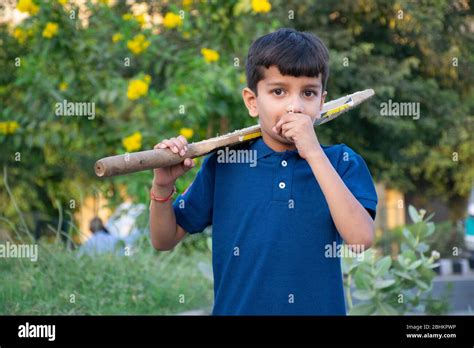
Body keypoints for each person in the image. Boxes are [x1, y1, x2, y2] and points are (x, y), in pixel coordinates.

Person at [149, 28, 378, 315]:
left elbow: (360, 240)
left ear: (322, 102)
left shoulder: (342, 161)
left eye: (308, 92)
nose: (295, 106)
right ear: (252, 101)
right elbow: (163, 239)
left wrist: (314, 154)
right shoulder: (225, 163)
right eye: (278, 91)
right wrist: (161, 188)